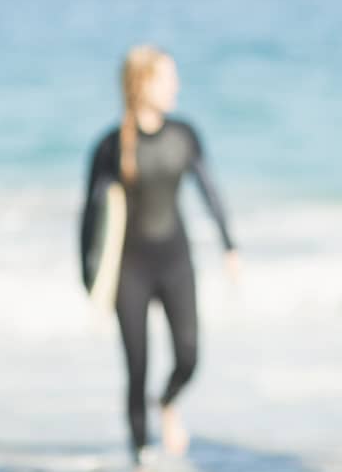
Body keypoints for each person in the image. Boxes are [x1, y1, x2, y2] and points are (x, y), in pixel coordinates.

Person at [80, 45, 239, 465]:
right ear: (142, 84)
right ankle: (140, 453)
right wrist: (90, 278)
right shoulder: (110, 148)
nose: (176, 86)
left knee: (189, 356)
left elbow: (210, 190)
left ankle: (168, 402)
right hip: (129, 271)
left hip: (175, 263)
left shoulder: (183, 135)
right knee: (137, 367)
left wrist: (229, 244)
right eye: (168, 78)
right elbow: (89, 220)